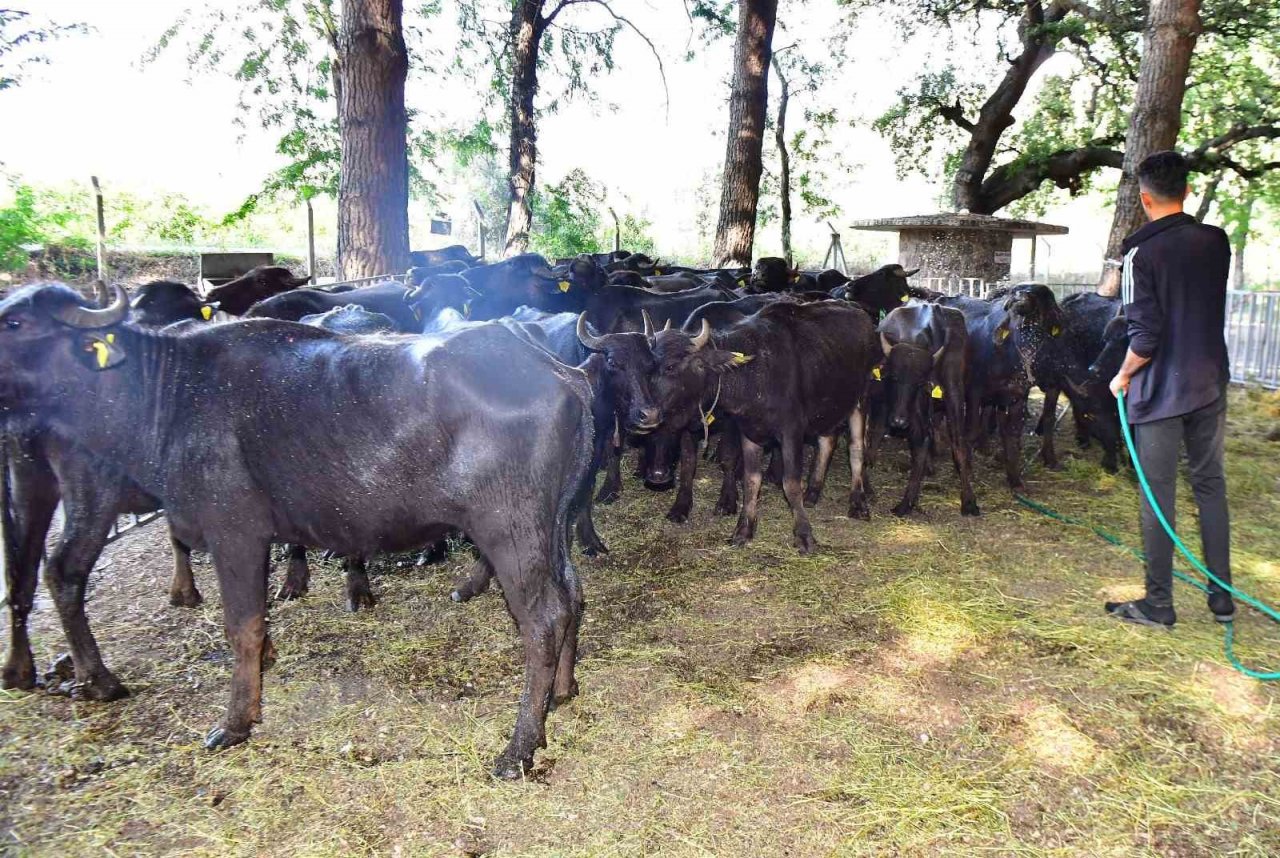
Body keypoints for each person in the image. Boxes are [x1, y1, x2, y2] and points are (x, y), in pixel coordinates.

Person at [1105, 150, 1235, 628]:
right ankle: (1222, 599)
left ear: (1144, 198)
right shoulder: (1216, 242)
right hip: (1210, 381)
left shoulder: (1141, 254)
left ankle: (1159, 604)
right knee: (1210, 485)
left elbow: (1145, 337)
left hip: (1160, 390)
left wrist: (1122, 376)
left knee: (1158, 495)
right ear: (1187, 191)